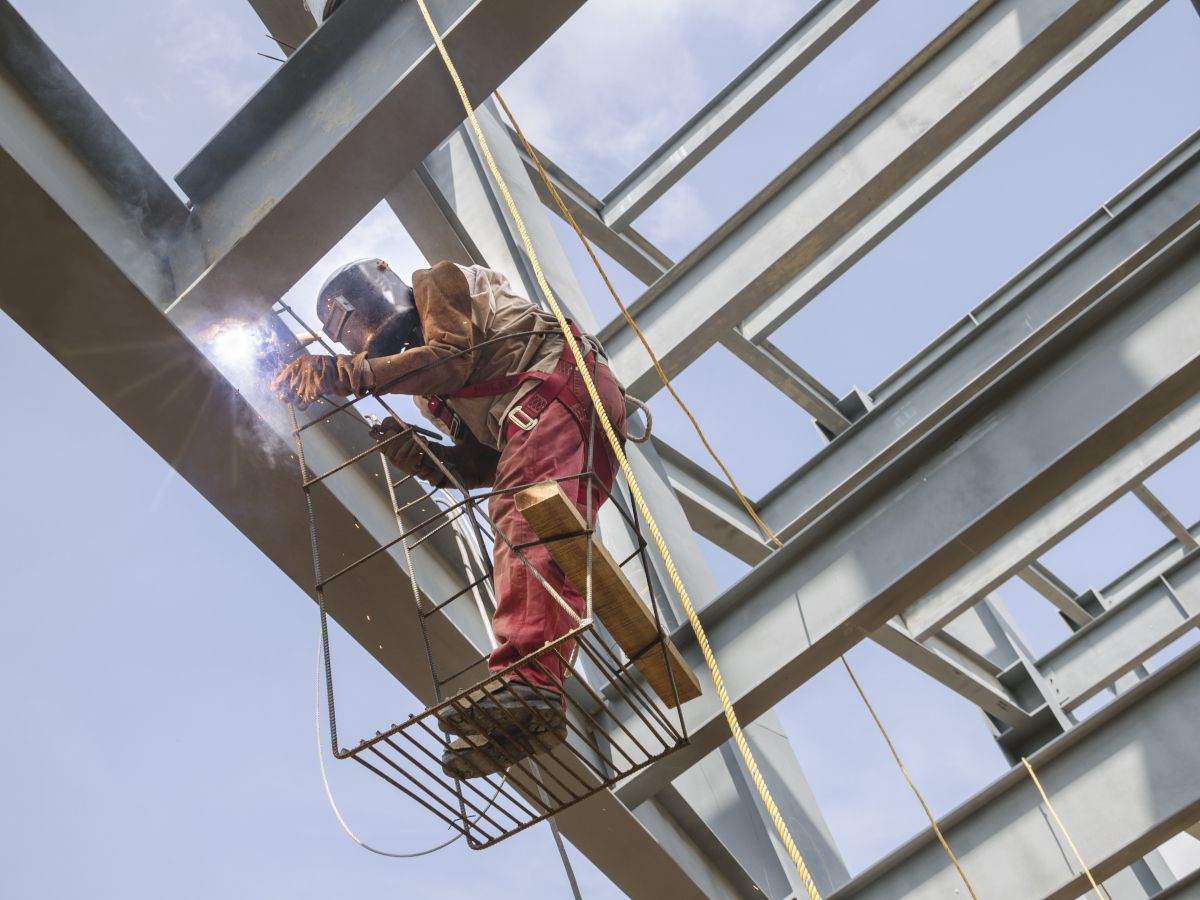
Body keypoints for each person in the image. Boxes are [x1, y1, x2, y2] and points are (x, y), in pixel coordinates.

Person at [272, 258, 627, 778]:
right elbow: (486, 461)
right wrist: (427, 461)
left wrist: (346, 375)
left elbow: (453, 357)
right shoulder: (425, 394)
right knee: (541, 534)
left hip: (558, 385)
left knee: (523, 516)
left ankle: (526, 682)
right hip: (556, 415)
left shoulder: (439, 282)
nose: (363, 349)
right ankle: (529, 710)